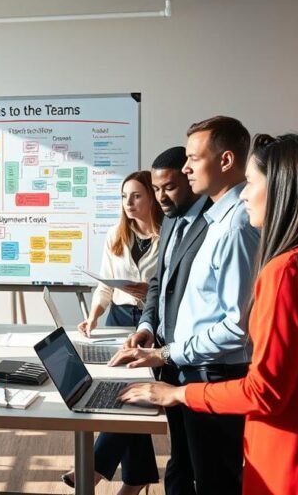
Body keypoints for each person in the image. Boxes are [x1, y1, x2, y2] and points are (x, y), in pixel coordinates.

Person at [121, 133, 298, 495]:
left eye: (251, 183)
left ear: (285, 190)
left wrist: (176, 395)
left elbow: (265, 392)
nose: (244, 195)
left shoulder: (290, 270)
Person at [111, 116, 259, 495]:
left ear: (225, 161)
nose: (188, 167)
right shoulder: (211, 217)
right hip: (187, 365)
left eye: (193, 159)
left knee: (214, 478)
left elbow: (235, 326)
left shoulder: (236, 225)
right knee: (185, 464)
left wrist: (166, 354)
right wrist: (153, 335)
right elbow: (173, 290)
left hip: (212, 372)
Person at [60, 171, 162, 494]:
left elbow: (168, 290)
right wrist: (92, 317)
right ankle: (135, 479)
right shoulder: (115, 235)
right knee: (124, 393)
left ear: (151, 198)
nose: (128, 203)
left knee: (129, 394)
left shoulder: (167, 237)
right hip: (118, 317)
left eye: (136, 196)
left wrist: (147, 291)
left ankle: (95, 467)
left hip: (151, 322)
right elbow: (104, 286)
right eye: (124, 197)